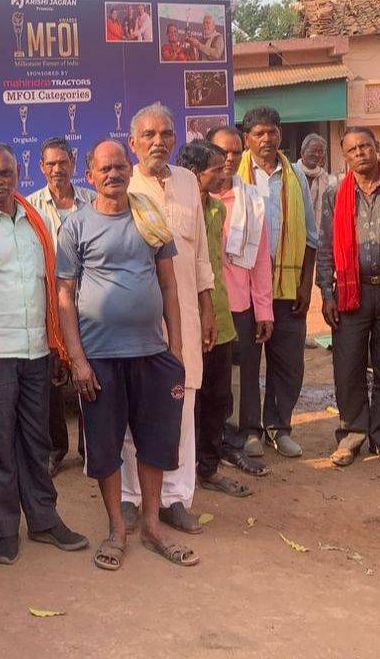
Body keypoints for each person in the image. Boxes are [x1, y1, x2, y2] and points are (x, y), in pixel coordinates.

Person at [0, 142, 89, 565]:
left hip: (37, 353)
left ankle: (44, 521)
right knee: (0, 444)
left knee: (38, 441)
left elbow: (51, 290)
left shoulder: (35, 224)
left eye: (5, 173)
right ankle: (6, 529)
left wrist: (59, 349)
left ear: (18, 173)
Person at [57, 139, 193, 570]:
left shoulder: (149, 217)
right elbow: (64, 295)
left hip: (153, 354)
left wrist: (175, 349)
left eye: (119, 167)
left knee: (154, 443)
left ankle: (152, 525)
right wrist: (77, 359)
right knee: (105, 446)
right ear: (90, 176)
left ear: (127, 170)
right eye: (105, 169)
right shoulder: (75, 226)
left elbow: (169, 284)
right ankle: (117, 528)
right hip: (99, 358)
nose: (113, 174)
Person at [121, 103, 215, 536]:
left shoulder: (188, 183)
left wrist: (208, 306)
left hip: (186, 320)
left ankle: (177, 498)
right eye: (150, 135)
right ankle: (131, 499)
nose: (159, 141)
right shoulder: (122, 184)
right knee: (132, 410)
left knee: (182, 405)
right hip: (134, 320)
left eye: (166, 134)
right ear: (133, 142)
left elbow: (199, 254)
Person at [317, 127, 380, 468]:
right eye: (352, 149)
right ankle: (352, 435)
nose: (360, 153)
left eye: (365, 146)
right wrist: (327, 292)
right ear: (345, 155)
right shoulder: (333, 195)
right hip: (351, 292)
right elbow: (326, 246)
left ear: (375, 148)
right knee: (348, 366)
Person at [234, 105, 319, 459]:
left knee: (288, 361)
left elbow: (311, 236)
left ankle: (279, 426)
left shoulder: (295, 176)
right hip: (247, 289)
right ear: (247, 138)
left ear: (281, 135)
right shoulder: (235, 175)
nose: (266, 139)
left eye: (272, 132)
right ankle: (250, 429)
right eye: (258, 133)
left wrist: (305, 285)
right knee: (247, 360)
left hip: (287, 288)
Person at [176, 140, 255, 498]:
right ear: (194, 173)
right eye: (216, 168)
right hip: (183, 318)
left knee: (217, 396)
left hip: (219, 315)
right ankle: (181, 472)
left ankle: (208, 467)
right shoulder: (173, 209)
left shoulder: (217, 211)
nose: (224, 173)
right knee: (184, 398)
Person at [205, 125, 274, 478]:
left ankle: (243, 435)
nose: (229, 159)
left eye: (234, 152)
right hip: (205, 307)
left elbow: (261, 259)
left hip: (241, 306)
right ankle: (209, 442)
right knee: (208, 382)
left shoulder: (252, 200)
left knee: (241, 376)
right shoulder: (195, 198)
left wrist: (264, 309)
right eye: (222, 152)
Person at [26, 138, 96, 476]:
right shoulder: (29, 207)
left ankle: (90, 448)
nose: (57, 169)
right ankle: (56, 448)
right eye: (51, 164)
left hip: (91, 304)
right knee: (52, 381)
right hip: (48, 305)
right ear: (41, 167)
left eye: (63, 162)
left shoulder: (93, 201)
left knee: (91, 373)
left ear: (73, 162)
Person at [294, 133, 335, 234]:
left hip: (317, 234)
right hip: (294, 231)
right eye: (313, 151)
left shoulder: (325, 177)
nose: (317, 155)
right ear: (302, 152)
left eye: (320, 152)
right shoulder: (291, 172)